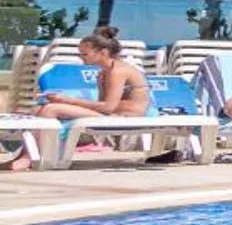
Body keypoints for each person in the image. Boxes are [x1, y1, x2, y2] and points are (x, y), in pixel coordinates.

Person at [9, 26, 152, 170]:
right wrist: (63, 99)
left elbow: (109, 107)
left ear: (102, 53)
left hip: (126, 116)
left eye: (85, 54)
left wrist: (67, 100)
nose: (81, 58)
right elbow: (101, 105)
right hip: (112, 114)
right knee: (38, 109)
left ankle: (31, 158)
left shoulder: (118, 71)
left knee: (51, 109)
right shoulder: (103, 73)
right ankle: (27, 155)